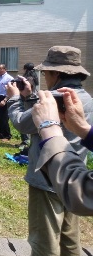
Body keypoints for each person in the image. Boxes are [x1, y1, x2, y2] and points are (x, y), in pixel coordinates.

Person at [7, 46, 93, 256]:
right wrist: (29, 96)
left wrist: (15, 98)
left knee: (44, 240)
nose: (44, 77)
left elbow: (22, 124)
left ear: (56, 74)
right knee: (69, 238)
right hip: (76, 180)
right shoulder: (87, 100)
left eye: (47, 73)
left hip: (46, 178)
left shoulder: (53, 100)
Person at [30, 88, 93, 216]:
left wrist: (49, 128)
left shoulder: (48, 102)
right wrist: (83, 128)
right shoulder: (87, 96)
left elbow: (84, 193)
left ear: (54, 74)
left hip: (54, 182)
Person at [19, 62, 40, 148]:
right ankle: (30, 140)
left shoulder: (27, 79)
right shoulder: (35, 77)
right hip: (34, 98)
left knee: (23, 118)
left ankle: (25, 141)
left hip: (27, 99)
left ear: (26, 69)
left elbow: (25, 89)